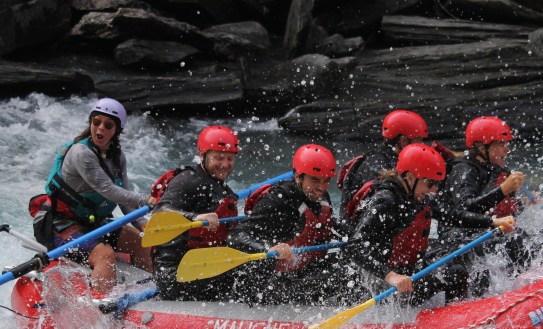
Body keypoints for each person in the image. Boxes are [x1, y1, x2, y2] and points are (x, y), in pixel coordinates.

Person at [344, 144, 514, 306]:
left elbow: (453, 215)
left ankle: (470, 310)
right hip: (386, 286)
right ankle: (455, 321)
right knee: (455, 273)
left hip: (408, 272)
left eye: (436, 184)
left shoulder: (418, 196)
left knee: (467, 256)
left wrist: (492, 221)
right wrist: (390, 276)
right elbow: (354, 246)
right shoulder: (385, 201)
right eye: (430, 183)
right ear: (410, 177)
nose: (433, 190)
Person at [32, 98, 154, 295]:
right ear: (90, 123)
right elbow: (107, 189)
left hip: (92, 222)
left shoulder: (117, 156)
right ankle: (103, 308)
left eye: (108, 125)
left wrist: (142, 223)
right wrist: (146, 200)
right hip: (61, 224)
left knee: (143, 242)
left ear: (116, 131)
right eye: (96, 122)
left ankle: (164, 295)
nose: (100, 128)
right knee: (105, 255)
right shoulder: (81, 153)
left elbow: (123, 194)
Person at [228, 144, 364, 306]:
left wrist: (359, 237)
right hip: (266, 283)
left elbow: (326, 224)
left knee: (353, 267)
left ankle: (361, 319)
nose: (321, 187)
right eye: (314, 180)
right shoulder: (278, 200)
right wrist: (266, 249)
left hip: (300, 271)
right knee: (341, 277)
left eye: (326, 181)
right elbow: (235, 235)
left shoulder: (321, 197)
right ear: (298, 176)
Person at [437, 116, 540, 292]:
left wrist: (521, 205)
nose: (507, 150)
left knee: (539, 238)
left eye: (507, 144)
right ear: (481, 147)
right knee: (516, 239)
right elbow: (464, 209)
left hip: (483, 231)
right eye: (501, 144)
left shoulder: (492, 168)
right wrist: (503, 190)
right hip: (457, 238)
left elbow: (495, 211)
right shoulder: (464, 170)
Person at [151, 125, 243, 301]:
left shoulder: (225, 190)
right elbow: (159, 211)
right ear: (203, 155)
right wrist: (195, 217)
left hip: (204, 267)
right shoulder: (187, 180)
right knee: (244, 277)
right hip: (175, 274)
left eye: (230, 159)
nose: (225, 165)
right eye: (219, 157)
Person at [337, 109, 429, 224]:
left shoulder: (395, 162)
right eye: (419, 140)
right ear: (403, 140)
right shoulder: (377, 166)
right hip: (359, 233)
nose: (422, 145)